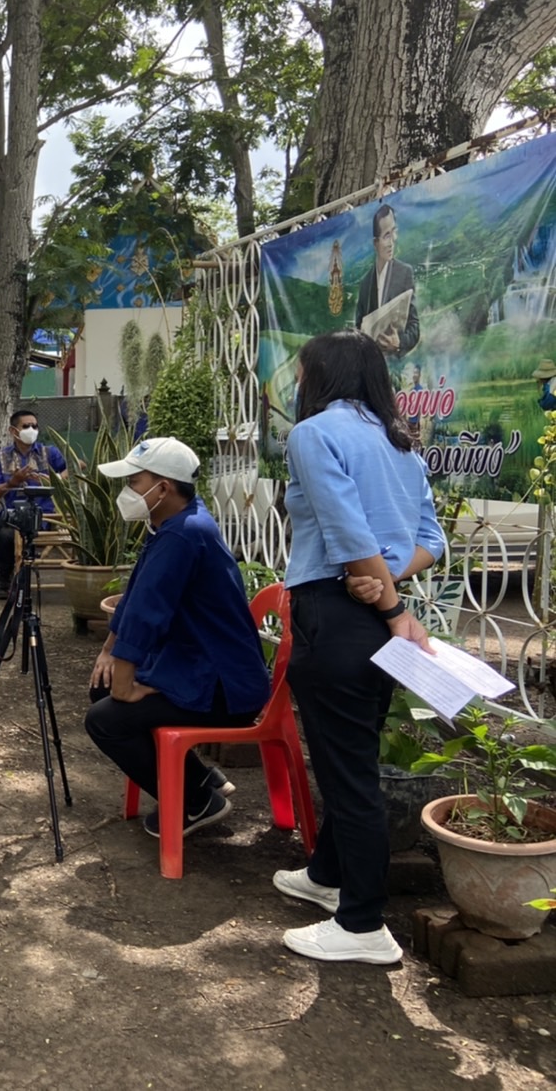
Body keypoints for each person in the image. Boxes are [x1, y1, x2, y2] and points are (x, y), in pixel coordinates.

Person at [275, 330, 443, 965]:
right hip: (372, 615)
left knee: (350, 778)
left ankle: (364, 924)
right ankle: (325, 877)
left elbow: (347, 533)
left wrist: (390, 603)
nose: (298, 383)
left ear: (321, 375)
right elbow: (432, 537)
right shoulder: (401, 444)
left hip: (343, 614)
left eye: (302, 372)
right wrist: (391, 580)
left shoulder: (314, 434)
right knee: (356, 757)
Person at [83, 438, 270, 837]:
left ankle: (196, 802)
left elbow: (148, 614)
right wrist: (108, 653)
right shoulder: (177, 524)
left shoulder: (182, 536)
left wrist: (126, 684)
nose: (128, 491)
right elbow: (137, 595)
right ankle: (203, 779)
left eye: (134, 481)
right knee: (103, 692)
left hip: (224, 686)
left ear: (163, 487)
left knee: (105, 721)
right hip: (203, 665)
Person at [0, 410, 67, 598]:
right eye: (26, 426)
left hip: (41, 513)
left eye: (35, 426)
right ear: (13, 431)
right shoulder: (0, 457)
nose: (31, 429)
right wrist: (12, 483)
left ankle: (5, 582)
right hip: (11, 512)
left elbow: (76, 466)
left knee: (6, 537)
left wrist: (54, 480)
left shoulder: (49, 453)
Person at [354, 204, 420, 357]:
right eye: (386, 236)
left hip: (396, 365)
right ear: (375, 243)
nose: (392, 242)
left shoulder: (404, 273)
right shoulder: (365, 283)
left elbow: (414, 326)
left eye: (393, 232)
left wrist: (399, 343)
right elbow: (359, 326)